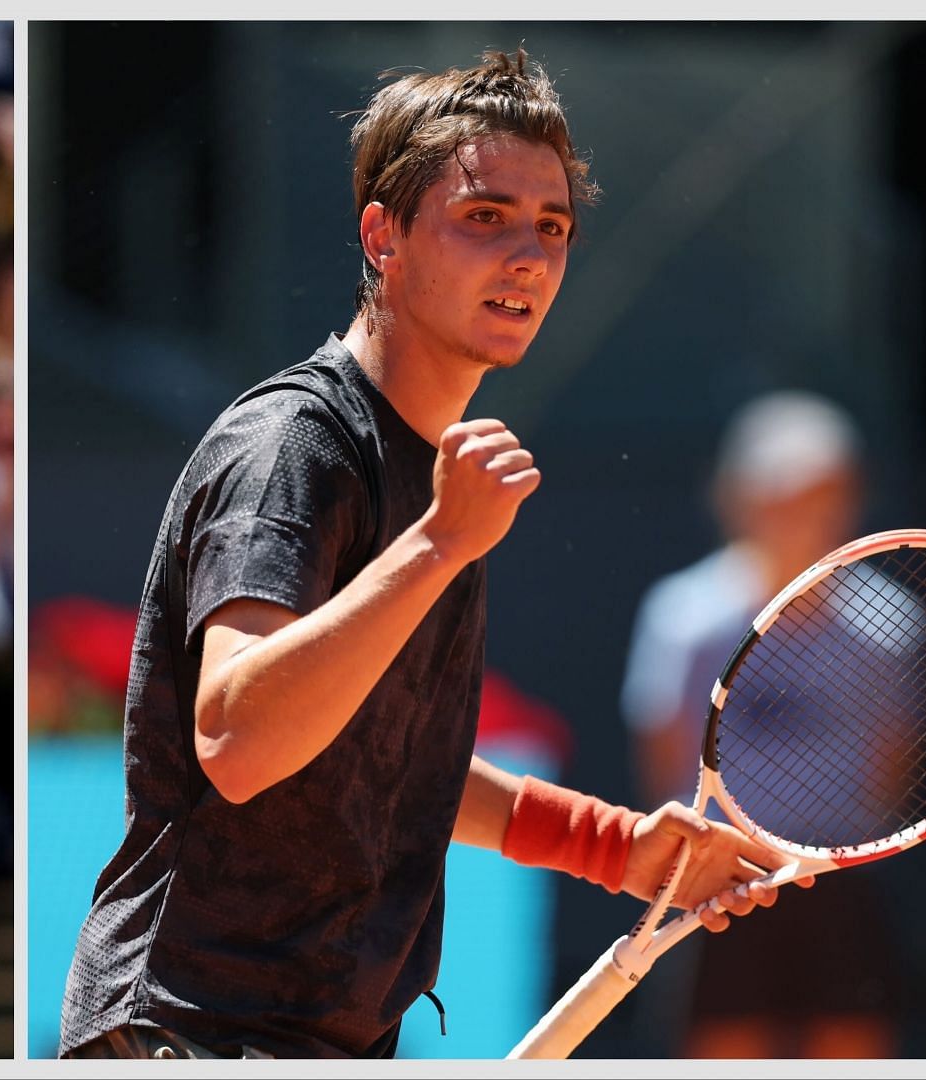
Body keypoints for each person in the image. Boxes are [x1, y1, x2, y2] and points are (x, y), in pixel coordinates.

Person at [59, 49, 808, 1060]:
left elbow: (385, 763)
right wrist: (440, 542)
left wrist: (617, 847)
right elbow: (237, 741)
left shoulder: (429, 481)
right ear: (385, 235)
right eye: (485, 217)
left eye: (552, 227)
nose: (529, 257)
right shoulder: (294, 447)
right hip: (190, 1033)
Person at [621, 391, 898, 1057]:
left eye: (820, 494)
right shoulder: (683, 618)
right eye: (779, 495)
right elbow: (661, 758)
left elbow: (896, 765)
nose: (800, 515)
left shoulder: (892, 631)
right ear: (737, 499)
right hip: (720, 888)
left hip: (842, 892)